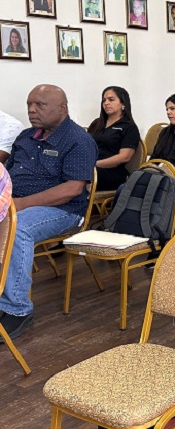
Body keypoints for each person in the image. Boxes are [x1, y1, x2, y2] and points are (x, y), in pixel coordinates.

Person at [1, 85, 97, 339]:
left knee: (17, 227)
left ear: (62, 108)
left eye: (40, 105)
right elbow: (7, 175)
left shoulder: (79, 140)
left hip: (63, 210)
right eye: (29, 104)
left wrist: (20, 205)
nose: (32, 110)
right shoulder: (25, 137)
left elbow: (73, 189)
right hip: (15, 202)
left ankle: (17, 310)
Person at [87, 86, 141, 191]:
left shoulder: (129, 127)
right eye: (104, 100)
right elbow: (85, 145)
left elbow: (124, 157)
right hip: (91, 167)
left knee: (78, 175)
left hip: (112, 172)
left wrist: (95, 164)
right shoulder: (97, 123)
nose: (106, 103)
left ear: (123, 104)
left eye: (111, 100)